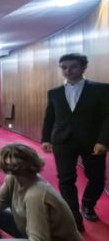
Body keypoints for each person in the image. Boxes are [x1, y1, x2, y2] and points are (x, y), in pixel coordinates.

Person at [0, 144, 83, 241]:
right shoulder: (14, 178)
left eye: (17, 160)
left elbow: (39, 239)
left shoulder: (36, 193)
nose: (11, 163)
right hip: (28, 226)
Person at [41, 53, 109, 232]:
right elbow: (50, 118)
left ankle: (88, 204)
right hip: (63, 141)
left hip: (93, 143)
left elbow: (107, 118)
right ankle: (73, 215)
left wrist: (103, 141)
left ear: (83, 68)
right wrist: (46, 138)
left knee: (97, 178)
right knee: (66, 179)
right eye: (64, 67)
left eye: (73, 67)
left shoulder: (101, 89)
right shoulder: (54, 93)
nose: (68, 71)